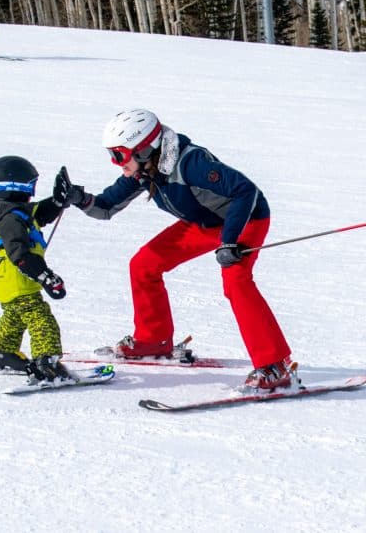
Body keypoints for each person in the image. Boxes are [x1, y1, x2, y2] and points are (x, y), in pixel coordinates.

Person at [54, 109, 300, 392]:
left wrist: (230, 241)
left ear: (145, 149)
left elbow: (246, 192)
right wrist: (79, 198)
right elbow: (107, 207)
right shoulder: (146, 171)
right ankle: (153, 340)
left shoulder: (191, 163)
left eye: (120, 154)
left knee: (236, 282)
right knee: (144, 264)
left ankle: (274, 365)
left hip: (244, 219)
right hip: (204, 223)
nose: (115, 162)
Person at [0, 155, 72, 385]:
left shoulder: (13, 212)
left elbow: (38, 213)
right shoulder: (10, 220)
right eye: (31, 185)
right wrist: (47, 277)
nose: (32, 191)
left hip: (10, 283)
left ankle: (1, 353)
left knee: (15, 317)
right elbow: (20, 255)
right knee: (40, 318)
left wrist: (57, 201)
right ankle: (46, 362)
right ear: (15, 187)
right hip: (19, 282)